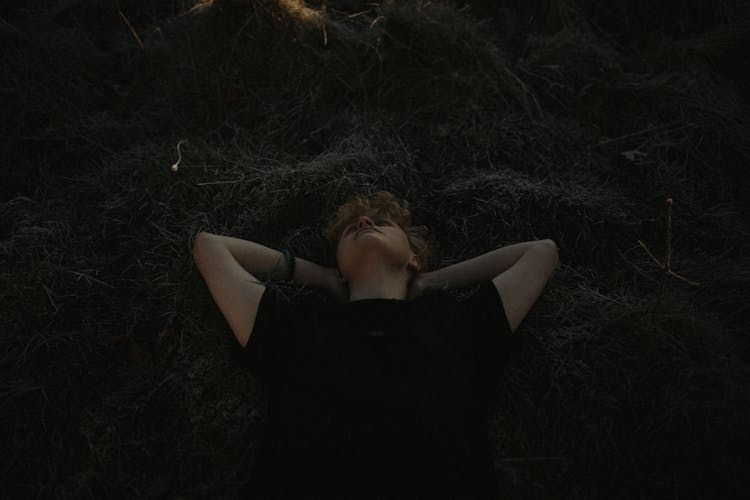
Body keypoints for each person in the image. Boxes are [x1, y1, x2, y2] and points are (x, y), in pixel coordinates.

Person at [193, 191, 559, 499]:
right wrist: (317, 275)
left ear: (414, 258)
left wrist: (430, 281)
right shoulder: (296, 327)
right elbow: (210, 247)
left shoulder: (457, 324)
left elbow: (540, 253)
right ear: (339, 267)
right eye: (353, 228)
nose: (365, 223)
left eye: (381, 223)